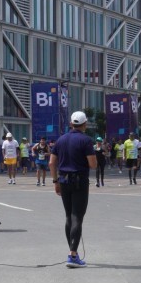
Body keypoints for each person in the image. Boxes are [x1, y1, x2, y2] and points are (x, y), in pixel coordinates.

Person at [50, 111, 97, 268]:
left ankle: (72, 250)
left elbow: (51, 162)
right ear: (85, 124)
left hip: (63, 180)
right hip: (79, 181)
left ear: (71, 123)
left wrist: (55, 181)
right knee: (77, 216)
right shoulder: (86, 140)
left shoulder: (61, 140)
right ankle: (73, 254)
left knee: (68, 216)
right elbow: (93, 164)